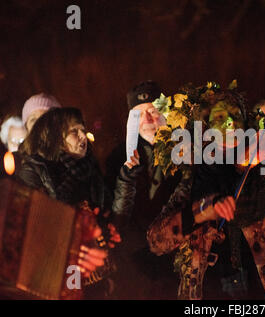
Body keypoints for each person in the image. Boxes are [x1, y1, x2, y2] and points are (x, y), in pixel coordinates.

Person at [147, 82, 265, 300]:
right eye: (220, 118)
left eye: (235, 116)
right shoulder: (195, 177)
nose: (230, 122)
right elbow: (157, 241)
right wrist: (201, 211)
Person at [17, 107, 119, 298]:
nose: (83, 136)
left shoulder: (90, 168)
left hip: (97, 278)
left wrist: (104, 228)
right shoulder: (35, 170)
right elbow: (35, 225)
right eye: (74, 132)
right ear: (56, 138)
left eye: (83, 130)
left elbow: (103, 212)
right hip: (58, 275)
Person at [105, 80, 180, 299]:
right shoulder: (117, 158)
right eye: (137, 115)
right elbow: (117, 211)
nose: (146, 120)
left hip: (180, 259)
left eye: (152, 111)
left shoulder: (188, 151)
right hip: (136, 265)